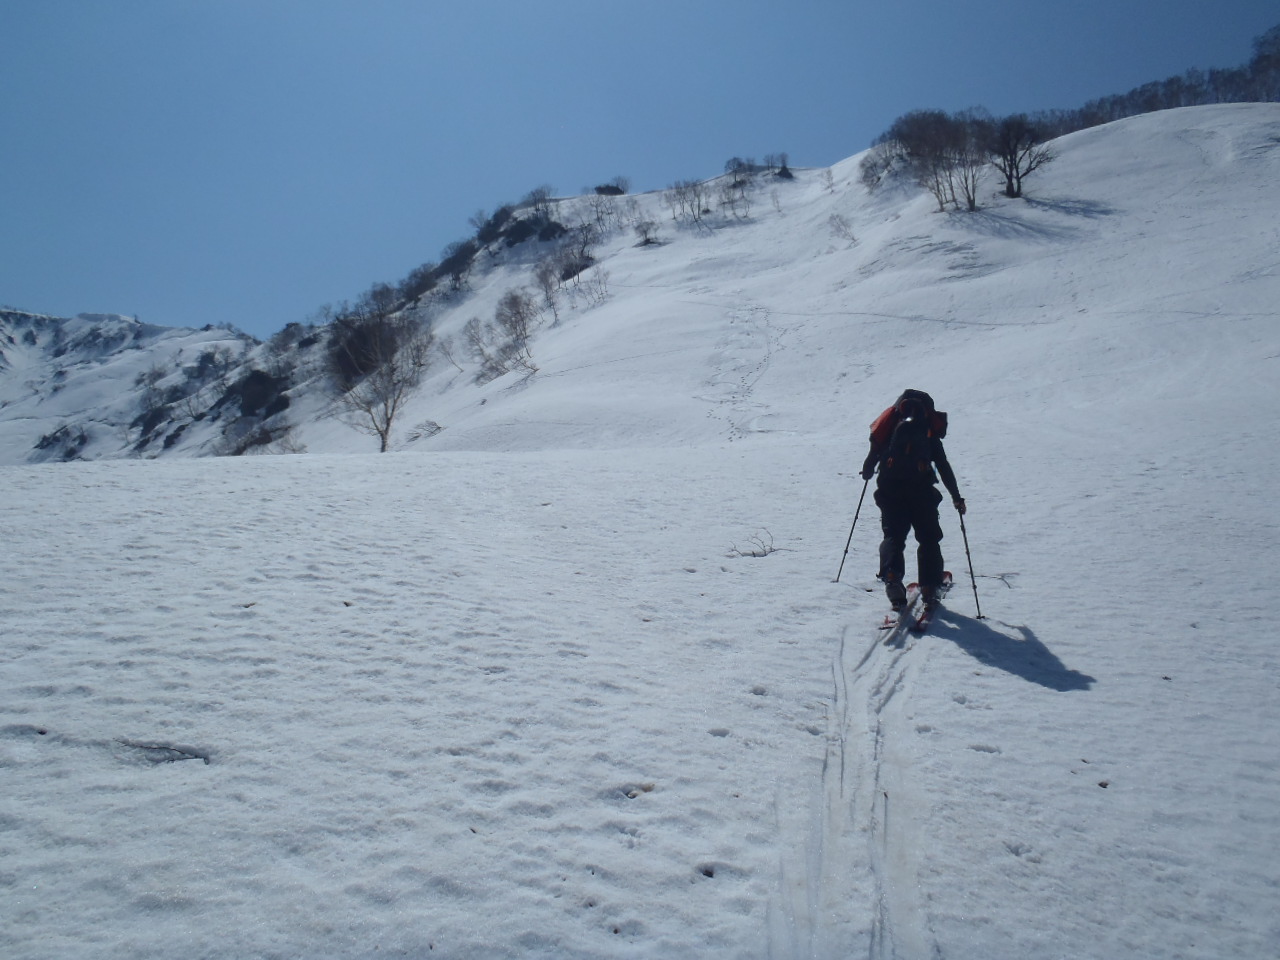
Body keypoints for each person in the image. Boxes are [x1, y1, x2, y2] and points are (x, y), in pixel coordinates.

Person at [860, 389, 966, 611]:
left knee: (893, 536)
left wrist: (869, 471)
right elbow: (943, 466)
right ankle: (929, 586)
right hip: (921, 491)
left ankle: (891, 574)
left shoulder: (889, 427)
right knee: (928, 539)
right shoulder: (928, 431)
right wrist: (957, 498)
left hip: (890, 490)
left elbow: (869, 464)